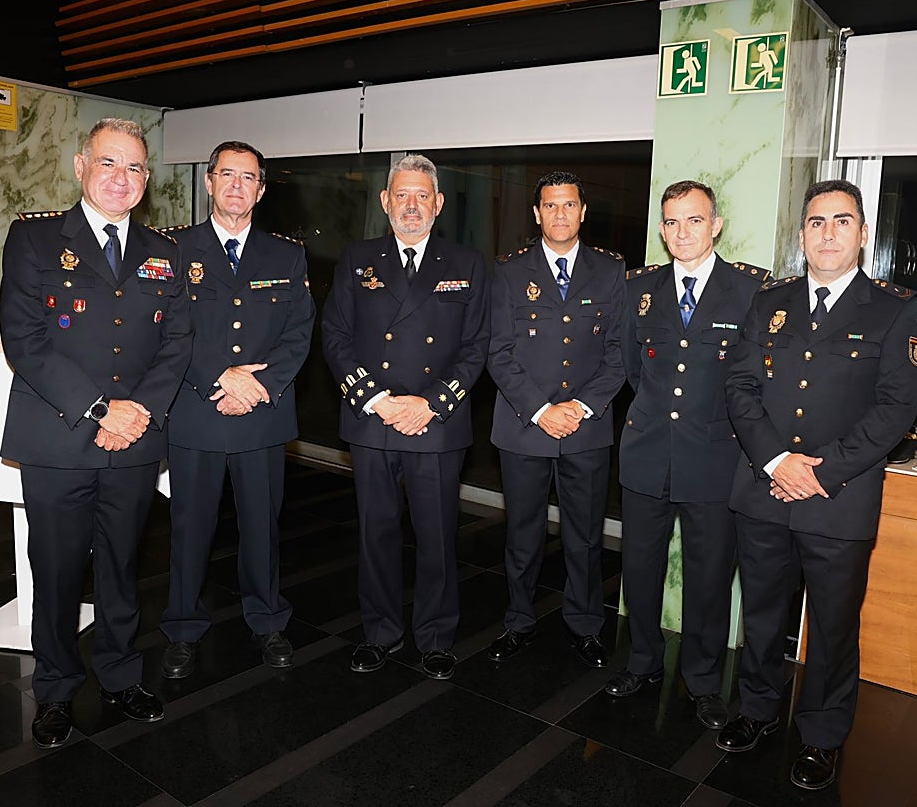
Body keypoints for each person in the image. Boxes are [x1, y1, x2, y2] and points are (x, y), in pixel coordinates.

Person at [719, 179, 917, 790]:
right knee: (761, 613)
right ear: (802, 233)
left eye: (842, 221)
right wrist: (775, 461)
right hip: (764, 489)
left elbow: (895, 409)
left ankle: (822, 735)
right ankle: (757, 708)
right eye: (816, 222)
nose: (828, 233)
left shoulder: (893, 309)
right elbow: (740, 386)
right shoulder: (769, 302)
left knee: (833, 626)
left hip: (840, 498)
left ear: (863, 234)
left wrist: (818, 472)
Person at [0, 117, 192, 749]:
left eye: (134, 167)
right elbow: (24, 340)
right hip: (58, 439)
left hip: (134, 439)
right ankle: (55, 689)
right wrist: (100, 409)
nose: (120, 177)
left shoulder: (166, 251)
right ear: (81, 166)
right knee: (56, 570)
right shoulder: (35, 239)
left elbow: (177, 343)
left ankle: (119, 674)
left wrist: (138, 412)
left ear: (146, 180)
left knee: (121, 564)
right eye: (108, 162)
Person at [321, 154, 489, 681]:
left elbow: (477, 345)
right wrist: (376, 399)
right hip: (373, 420)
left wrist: (431, 403)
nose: (411, 205)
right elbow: (336, 335)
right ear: (385, 201)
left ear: (439, 204)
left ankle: (435, 637)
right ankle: (380, 633)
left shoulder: (466, 262)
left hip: (435, 423)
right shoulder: (358, 258)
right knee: (376, 533)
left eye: (421, 196)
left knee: (437, 536)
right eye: (401, 195)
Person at [609, 180, 768, 729]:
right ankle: (642, 660)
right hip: (647, 454)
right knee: (640, 568)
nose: (682, 232)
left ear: (716, 225)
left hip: (715, 458)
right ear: (661, 229)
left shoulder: (749, 290)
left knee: (709, 577)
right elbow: (634, 369)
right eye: (672, 222)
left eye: (695, 220)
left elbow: (754, 377)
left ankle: (702, 679)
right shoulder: (639, 288)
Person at [159, 141, 315, 680]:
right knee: (189, 529)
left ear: (261, 190)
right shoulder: (174, 248)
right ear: (209, 182)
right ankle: (182, 627)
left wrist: (258, 385)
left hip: (261, 414)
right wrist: (218, 377)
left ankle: (268, 620)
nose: (236, 186)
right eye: (227, 174)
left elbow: (299, 332)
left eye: (248, 178)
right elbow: (168, 329)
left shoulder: (286, 255)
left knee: (262, 526)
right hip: (195, 411)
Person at [484, 171, 626, 669]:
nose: (559, 214)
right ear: (536, 213)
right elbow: (499, 352)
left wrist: (580, 407)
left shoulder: (611, 270)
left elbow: (619, 353)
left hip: (586, 429)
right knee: (522, 534)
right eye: (550, 205)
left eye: (568, 205)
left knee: (584, 538)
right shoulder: (508, 271)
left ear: (583, 211)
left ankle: (585, 625)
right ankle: (518, 621)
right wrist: (542, 410)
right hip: (524, 427)